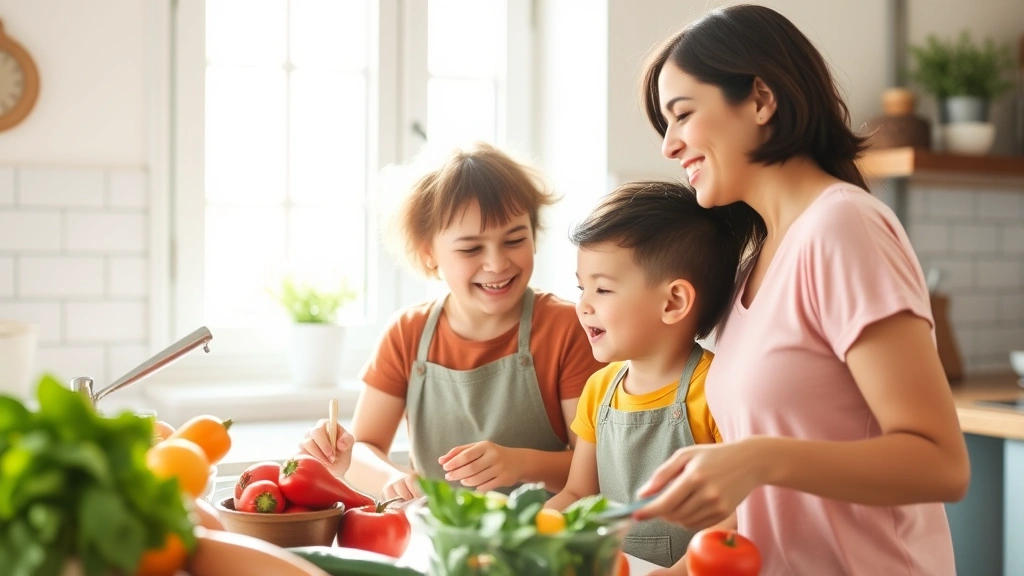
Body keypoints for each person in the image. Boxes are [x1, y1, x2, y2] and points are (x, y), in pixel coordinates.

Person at [631, 5, 970, 575]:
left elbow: (940, 463)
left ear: (761, 99)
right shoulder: (752, 263)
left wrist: (757, 460)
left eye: (682, 115)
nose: (669, 145)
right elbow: (772, 508)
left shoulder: (843, 227)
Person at [297, 142, 605, 500]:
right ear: (429, 253)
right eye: (471, 249)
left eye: (515, 239)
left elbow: (596, 466)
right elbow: (363, 447)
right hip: (437, 540)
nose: (496, 263)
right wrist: (392, 480)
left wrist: (520, 463)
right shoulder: (407, 333)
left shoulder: (568, 328)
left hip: (543, 541)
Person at [545, 180, 741, 569]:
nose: (582, 305)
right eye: (581, 288)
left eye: (601, 290)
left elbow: (737, 519)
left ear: (673, 302)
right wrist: (530, 534)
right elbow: (577, 493)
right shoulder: (599, 388)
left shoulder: (716, 389)